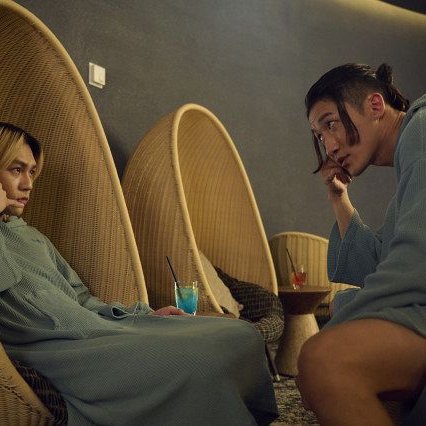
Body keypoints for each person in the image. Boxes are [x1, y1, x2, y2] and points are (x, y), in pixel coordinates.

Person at [0, 122, 278, 425]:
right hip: (63, 352)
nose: (28, 183)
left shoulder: (33, 237)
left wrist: (142, 315)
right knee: (199, 361)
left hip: (100, 329)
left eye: (32, 172)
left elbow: (81, 298)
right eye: (16, 170)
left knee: (240, 335)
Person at [297, 63, 426, 425]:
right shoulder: (410, 160)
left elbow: (416, 261)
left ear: (375, 105)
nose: (329, 146)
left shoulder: (421, 129)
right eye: (319, 136)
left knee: (322, 360)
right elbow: (384, 261)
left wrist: (343, 322)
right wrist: (339, 198)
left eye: (330, 124)